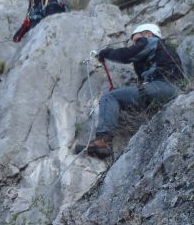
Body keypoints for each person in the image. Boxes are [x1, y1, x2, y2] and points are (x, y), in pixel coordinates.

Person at [79, 23, 185, 157]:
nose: (136, 44)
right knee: (124, 99)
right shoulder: (160, 51)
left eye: (137, 40)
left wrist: (106, 53)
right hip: (169, 88)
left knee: (110, 97)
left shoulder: (151, 42)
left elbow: (126, 55)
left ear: (148, 34)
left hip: (163, 86)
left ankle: (102, 141)